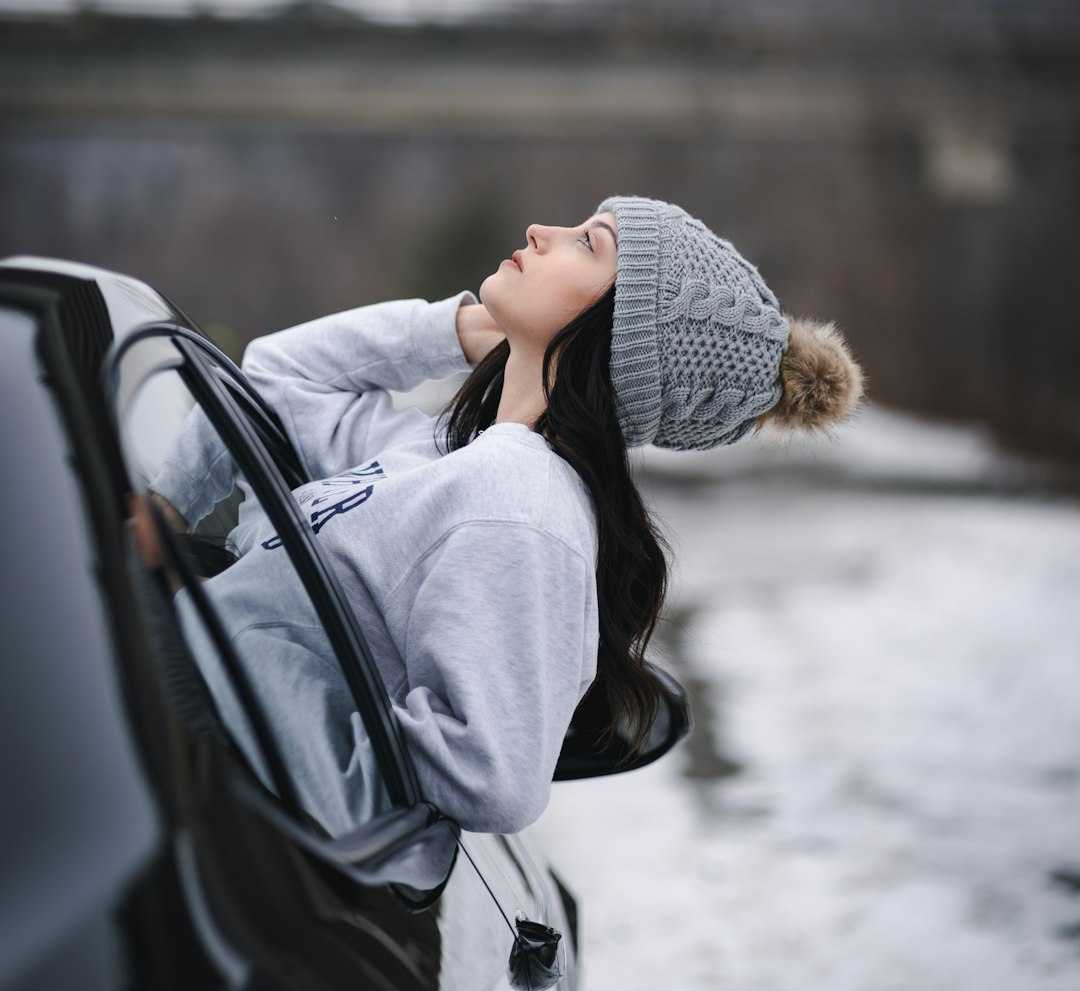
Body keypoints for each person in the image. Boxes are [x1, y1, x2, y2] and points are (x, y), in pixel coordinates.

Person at [142, 194, 864, 838]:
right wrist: (455, 330)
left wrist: (212, 668)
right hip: (148, 731)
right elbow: (272, 375)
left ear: (622, 338)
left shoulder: (519, 507)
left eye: (589, 243)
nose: (541, 230)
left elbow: (490, 776)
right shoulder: (440, 456)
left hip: (184, 788)